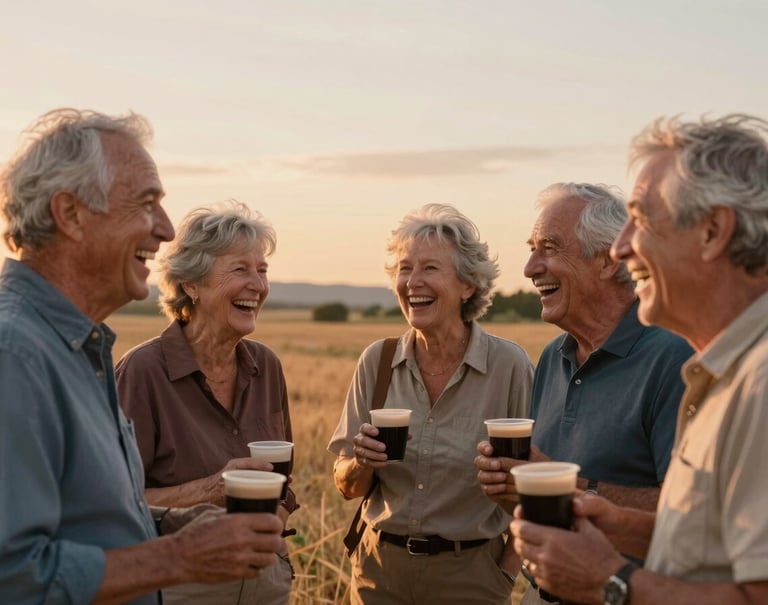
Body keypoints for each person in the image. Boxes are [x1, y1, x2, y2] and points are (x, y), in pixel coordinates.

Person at [0, 109, 282, 605]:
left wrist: (178, 526)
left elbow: (93, 519)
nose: (167, 230)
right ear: (70, 214)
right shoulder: (15, 356)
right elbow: (13, 575)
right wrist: (175, 559)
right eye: (146, 203)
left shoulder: (79, 350)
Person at [510, 114, 768, 605]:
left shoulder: (760, 383)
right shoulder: (723, 372)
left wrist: (610, 582)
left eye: (643, 220)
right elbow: (711, 552)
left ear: (713, 232)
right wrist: (620, 525)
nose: (624, 245)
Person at [475, 183, 692, 604]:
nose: (530, 267)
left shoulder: (672, 357)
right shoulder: (554, 356)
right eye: (532, 248)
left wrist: (566, 484)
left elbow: (690, 516)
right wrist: (513, 489)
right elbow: (549, 503)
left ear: (610, 260)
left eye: (550, 248)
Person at [328, 203, 534, 605]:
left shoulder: (509, 366)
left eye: (430, 269)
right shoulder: (378, 361)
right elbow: (346, 486)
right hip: (378, 575)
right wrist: (362, 462)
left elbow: (542, 487)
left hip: (472, 579)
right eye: (405, 269)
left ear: (468, 285)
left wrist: (504, 573)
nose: (412, 282)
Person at [115, 201, 297, 604]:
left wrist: (276, 531)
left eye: (262, 270)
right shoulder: (143, 372)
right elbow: (116, 502)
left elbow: (285, 480)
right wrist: (211, 489)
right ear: (191, 285)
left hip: (265, 584)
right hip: (180, 588)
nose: (258, 285)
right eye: (240, 270)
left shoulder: (265, 366)